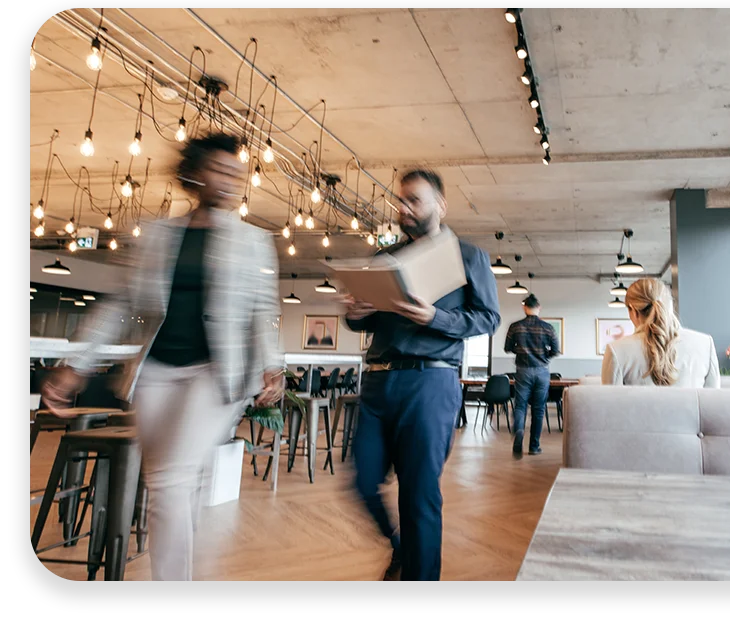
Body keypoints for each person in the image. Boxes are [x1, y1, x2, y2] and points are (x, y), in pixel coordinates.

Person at [41, 131, 285, 581]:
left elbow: (263, 310)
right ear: (194, 175)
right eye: (219, 170)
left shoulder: (252, 241)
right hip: (155, 372)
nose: (230, 180)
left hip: (217, 374)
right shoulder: (157, 235)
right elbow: (121, 304)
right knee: (166, 484)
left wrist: (274, 364)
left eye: (236, 173)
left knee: (170, 480)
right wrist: (77, 364)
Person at [340, 168, 500, 582]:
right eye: (400, 200)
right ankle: (400, 545)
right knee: (362, 481)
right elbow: (365, 322)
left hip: (430, 383)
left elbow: (488, 318)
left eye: (414, 200)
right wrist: (355, 314)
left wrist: (435, 318)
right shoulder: (385, 257)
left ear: (440, 206)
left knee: (419, 495)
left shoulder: (468, 256)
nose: (404, 207)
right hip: (377, 381)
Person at [602, 278, 720, 388]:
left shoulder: (616, 350)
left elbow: (610, 401)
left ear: (633, 311)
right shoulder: (705, 344)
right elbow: (712, 399)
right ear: (668, 305)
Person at [503, 293, 559, 458]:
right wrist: (543, 356)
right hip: (542, 371)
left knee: (520, 406)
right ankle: (534, 446)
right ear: (539, 308)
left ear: (524, 308)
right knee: (539, 409)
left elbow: (507, 348)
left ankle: (519, 430)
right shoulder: (548, 328)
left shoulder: (515, 326)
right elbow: (555, 350)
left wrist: (520, 350)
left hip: (523, 370)